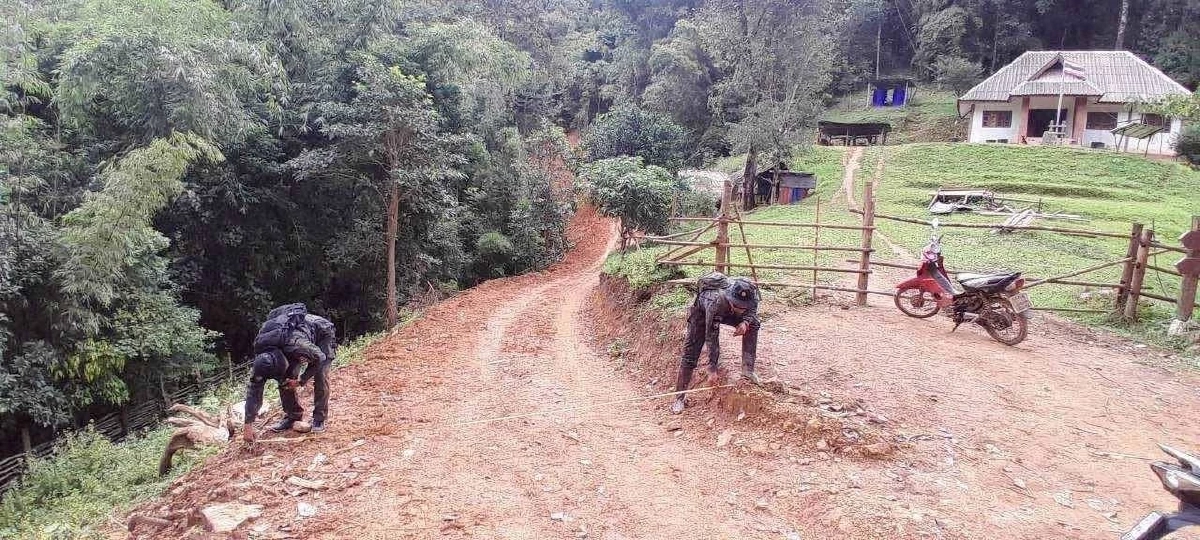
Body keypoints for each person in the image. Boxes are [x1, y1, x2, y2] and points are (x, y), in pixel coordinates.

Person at [671, 272, 761, 414]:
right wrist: (712, 368)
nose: (741, 309)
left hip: (726, 311)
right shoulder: (715, 301)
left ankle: (748, 370)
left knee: (754, 324)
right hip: (701, 315)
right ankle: (679, 398)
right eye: (738, 305)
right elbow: (711, 336)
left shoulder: (751, 293)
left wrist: (745, 321)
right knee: (690, 353)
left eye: (744, 306)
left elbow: (753, 309)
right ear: (731, 298)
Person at [243, 307, 337, 442]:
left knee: (321, 376)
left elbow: (320, 357)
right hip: (292, 338)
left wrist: (300, 381)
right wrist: (248, 425)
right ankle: (293, 416)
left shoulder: (296, 345)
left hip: (321, 331)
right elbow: (254, 391)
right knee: (285, 381)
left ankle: (319, 418)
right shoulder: (262, 357)